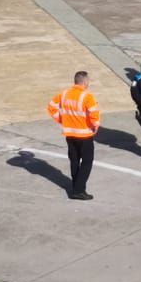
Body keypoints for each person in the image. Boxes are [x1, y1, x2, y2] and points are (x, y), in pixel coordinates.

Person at [47, 70, 101, 200]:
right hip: (84, 135)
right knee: (87, 162)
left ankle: (75, 185)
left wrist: (61, 119)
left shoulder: (64, 94)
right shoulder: (87, 96)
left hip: (70, 134)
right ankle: (79, 189)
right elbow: (94, 114)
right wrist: (95, 126)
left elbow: (51, 107)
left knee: (74, 160)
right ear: (85, 82)